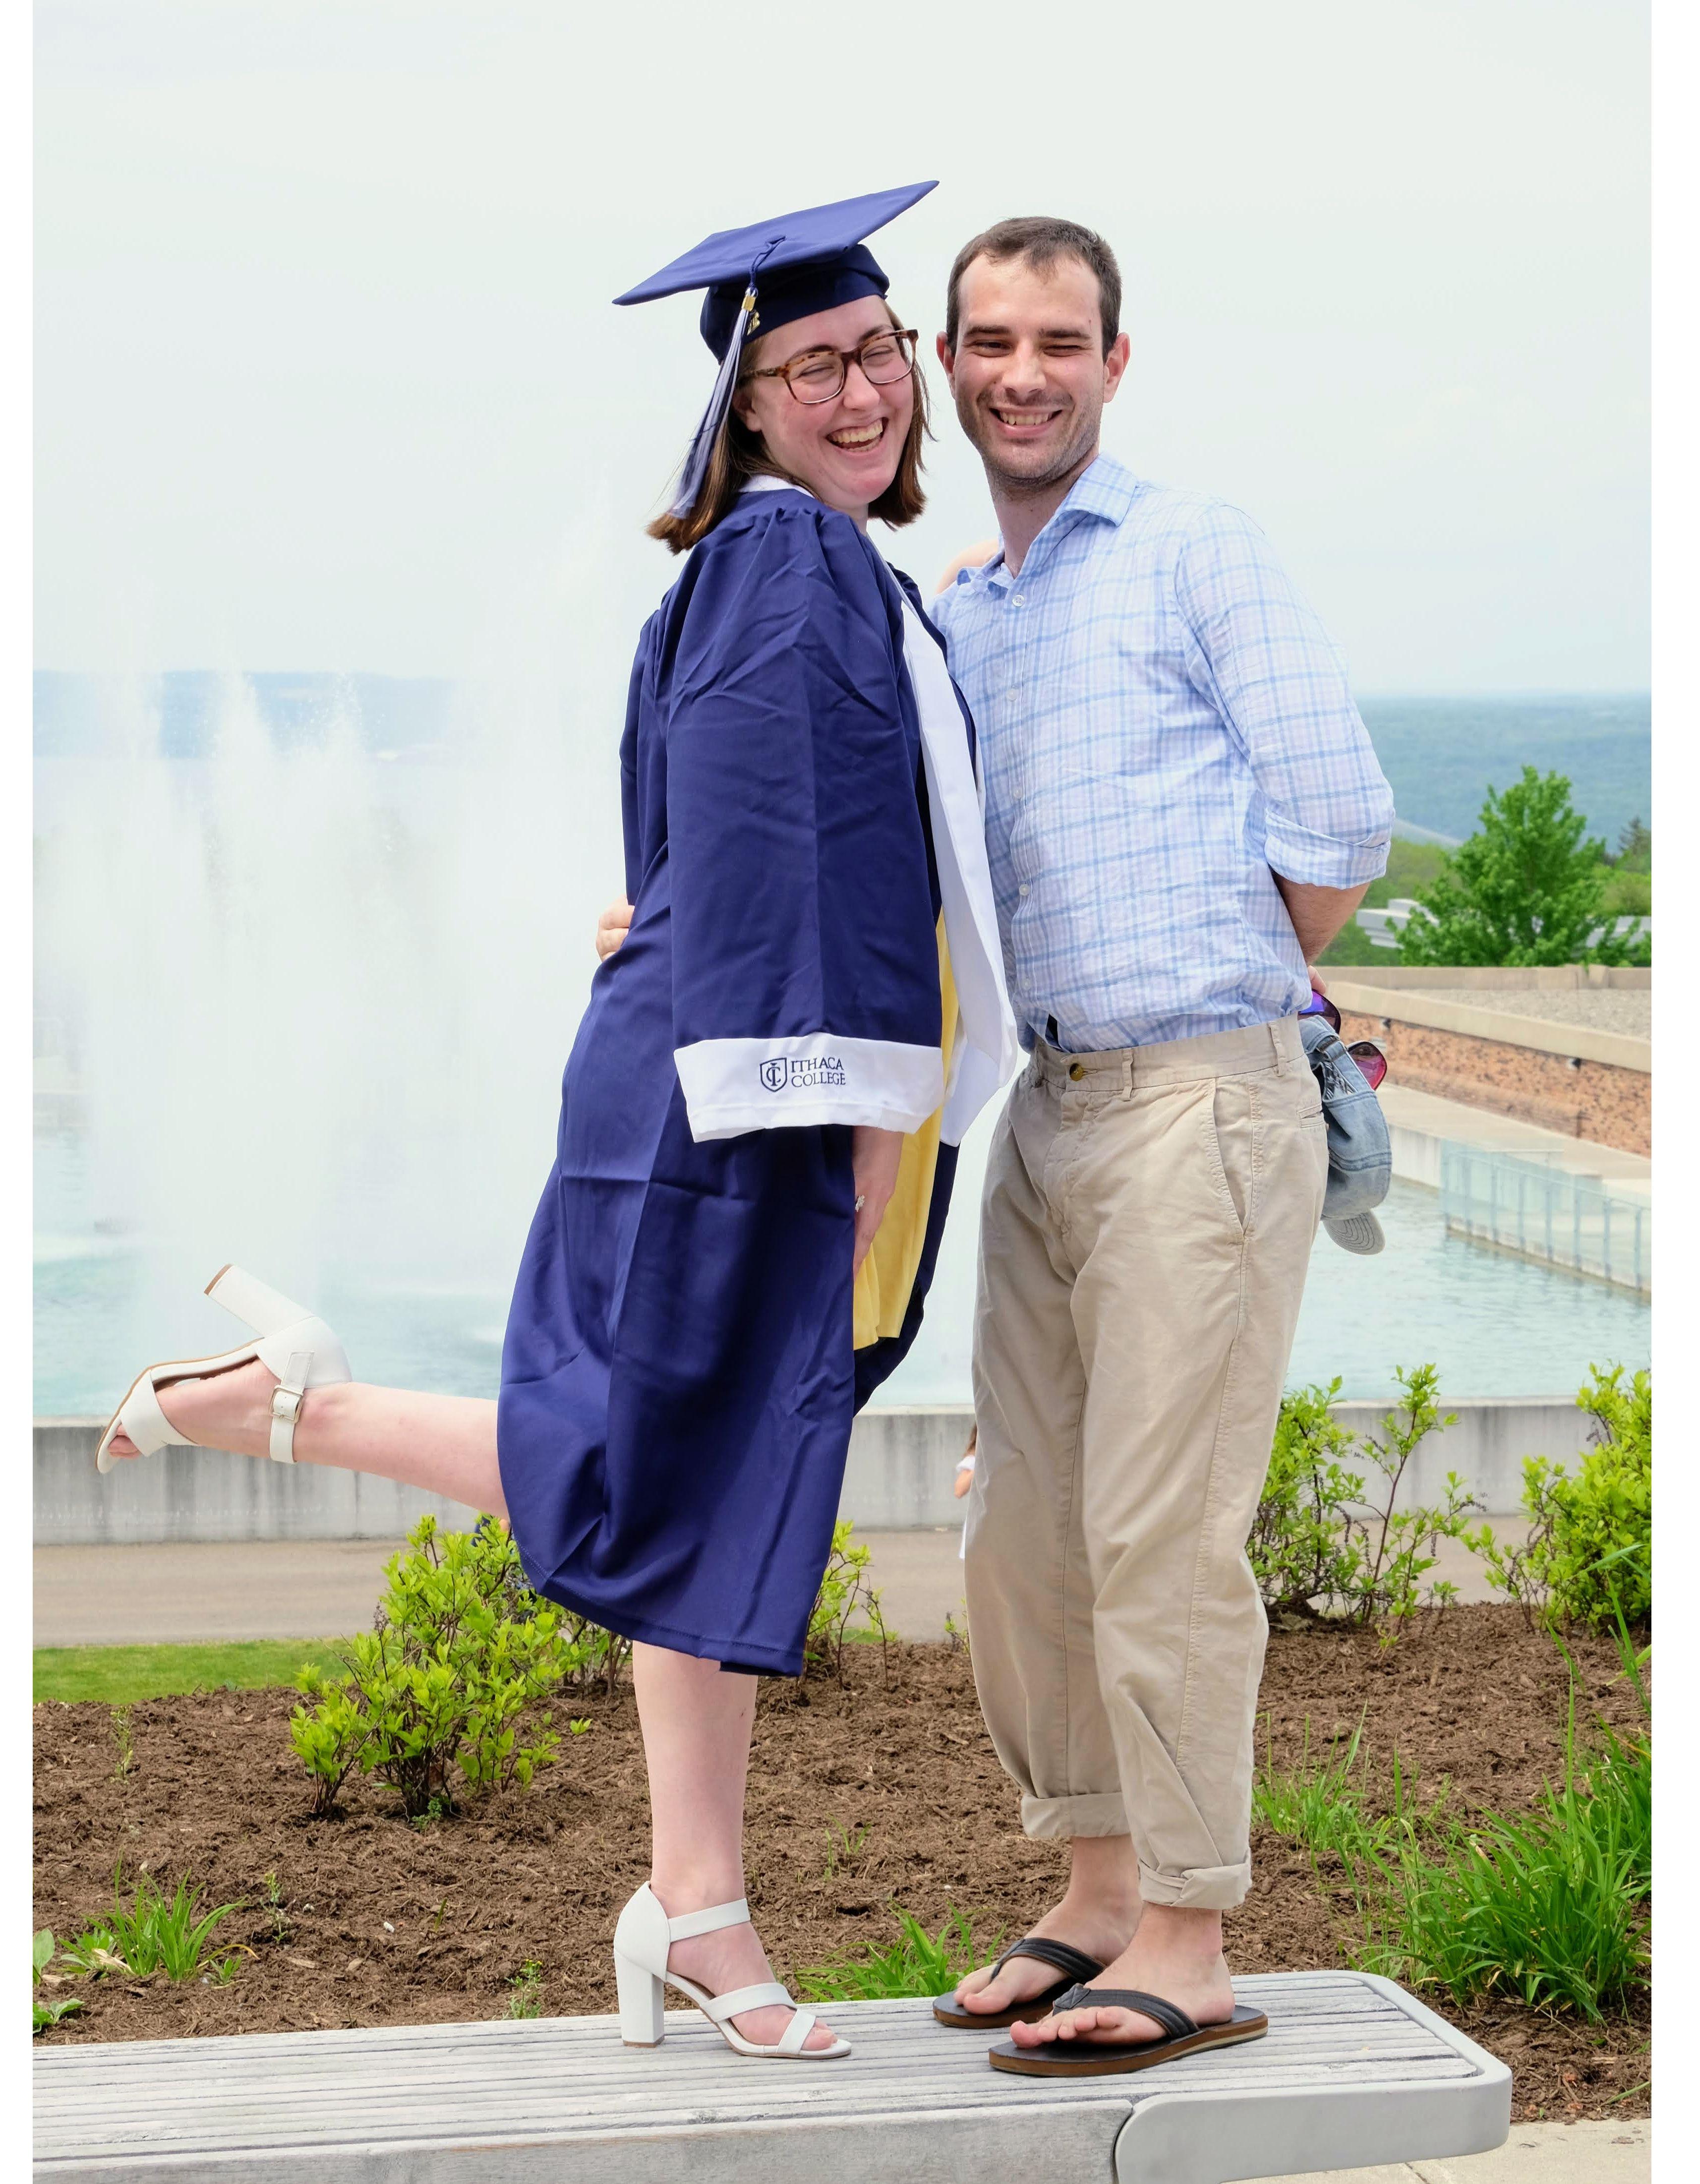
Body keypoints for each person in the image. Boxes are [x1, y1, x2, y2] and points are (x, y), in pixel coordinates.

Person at [96, 182, 1010, 2067]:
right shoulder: (790, 567)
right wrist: (842, 1116)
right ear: (746, 404)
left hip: (723, 1067)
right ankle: (297, 1403)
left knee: (701, 1475)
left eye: (875, 354)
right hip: (763, 1094)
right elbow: (784, 849)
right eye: (813, 366)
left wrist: (675, 945)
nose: (861, 395)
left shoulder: (793, 567)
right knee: (670, 1465)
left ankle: (697, 1900)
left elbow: (729, 837)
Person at [605, 214, 1396, 2078]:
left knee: (1158, 1533)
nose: (1019, 371)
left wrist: (1219, 982)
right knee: (1027, 1546)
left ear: (1117, 362)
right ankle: (1098, 1887)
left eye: (1059, 339)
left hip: (1199, 1094)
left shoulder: (1198, 552)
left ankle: (1191, 1935)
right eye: (985, 341)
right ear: (949, 372)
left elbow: (1339, 821)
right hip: (1047, 1113)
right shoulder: (957, 607)